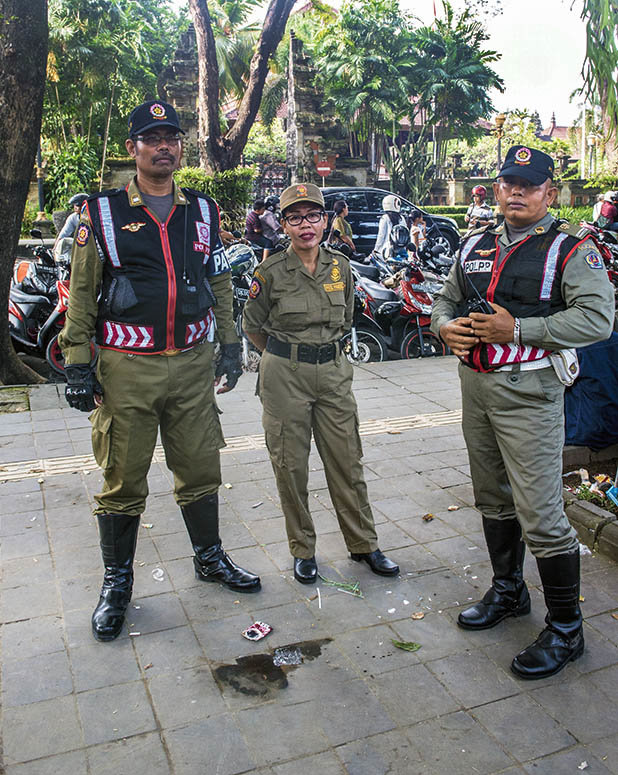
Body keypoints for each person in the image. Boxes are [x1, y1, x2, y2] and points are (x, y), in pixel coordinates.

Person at [58, 100, 260, 643]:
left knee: (199, 467)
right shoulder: (98, 214)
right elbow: (81, 293)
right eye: (152, 138)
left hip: (193, 364)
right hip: (128, 366)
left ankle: (210, 558)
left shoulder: (204, 210)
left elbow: (217, 280)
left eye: (172, 136)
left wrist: (230, 342)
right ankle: (117, 583)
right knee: (123, 476)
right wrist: (79, 363)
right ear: (134, 149)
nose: (164, 145)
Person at [431, 145, 614, 680]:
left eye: (528, 184)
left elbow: (597, 320)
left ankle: (566, 630)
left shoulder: (571, 249)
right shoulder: (475, 245)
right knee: (491, 495)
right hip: (477, 387)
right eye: (509, 181)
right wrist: (445, 327)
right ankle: (509, 591)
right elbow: (446, 300)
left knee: (542, 512)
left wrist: (517, 330)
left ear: (549, 193)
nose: (515, 191)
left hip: (531, 392)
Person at [242, 183, 399, 584]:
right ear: (284, 224)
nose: (305, 225)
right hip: (284, 378)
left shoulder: (340, 267)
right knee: (290, 467)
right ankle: (303, 550)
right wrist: (284, 354)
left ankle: (364, 544)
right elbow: (252, 325)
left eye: (313, 215)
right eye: (295, 217)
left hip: (332, 374)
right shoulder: (270, 272)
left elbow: (345, 318)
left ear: (326, 220)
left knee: (347, 462)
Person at [374, 194, 408, 259]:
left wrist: (376, 249)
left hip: (387, 250)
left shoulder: (385, 218)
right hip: (401, 249)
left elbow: (381, 235)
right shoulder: (401, 218)